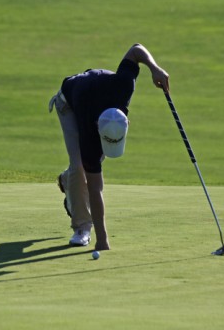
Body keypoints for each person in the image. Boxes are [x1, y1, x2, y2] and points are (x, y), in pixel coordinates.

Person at [48, 43, 170, 250]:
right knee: (79, 166)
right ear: (97, 127)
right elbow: (96, 189)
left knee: (86, 167)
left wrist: (154, 68)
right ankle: (81, 228)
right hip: (69, 102)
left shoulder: (124, 86)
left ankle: (67, 180)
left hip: (94, 92)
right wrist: (102, 240)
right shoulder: (88, 130)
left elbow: (136, 49)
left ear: (127, 123)